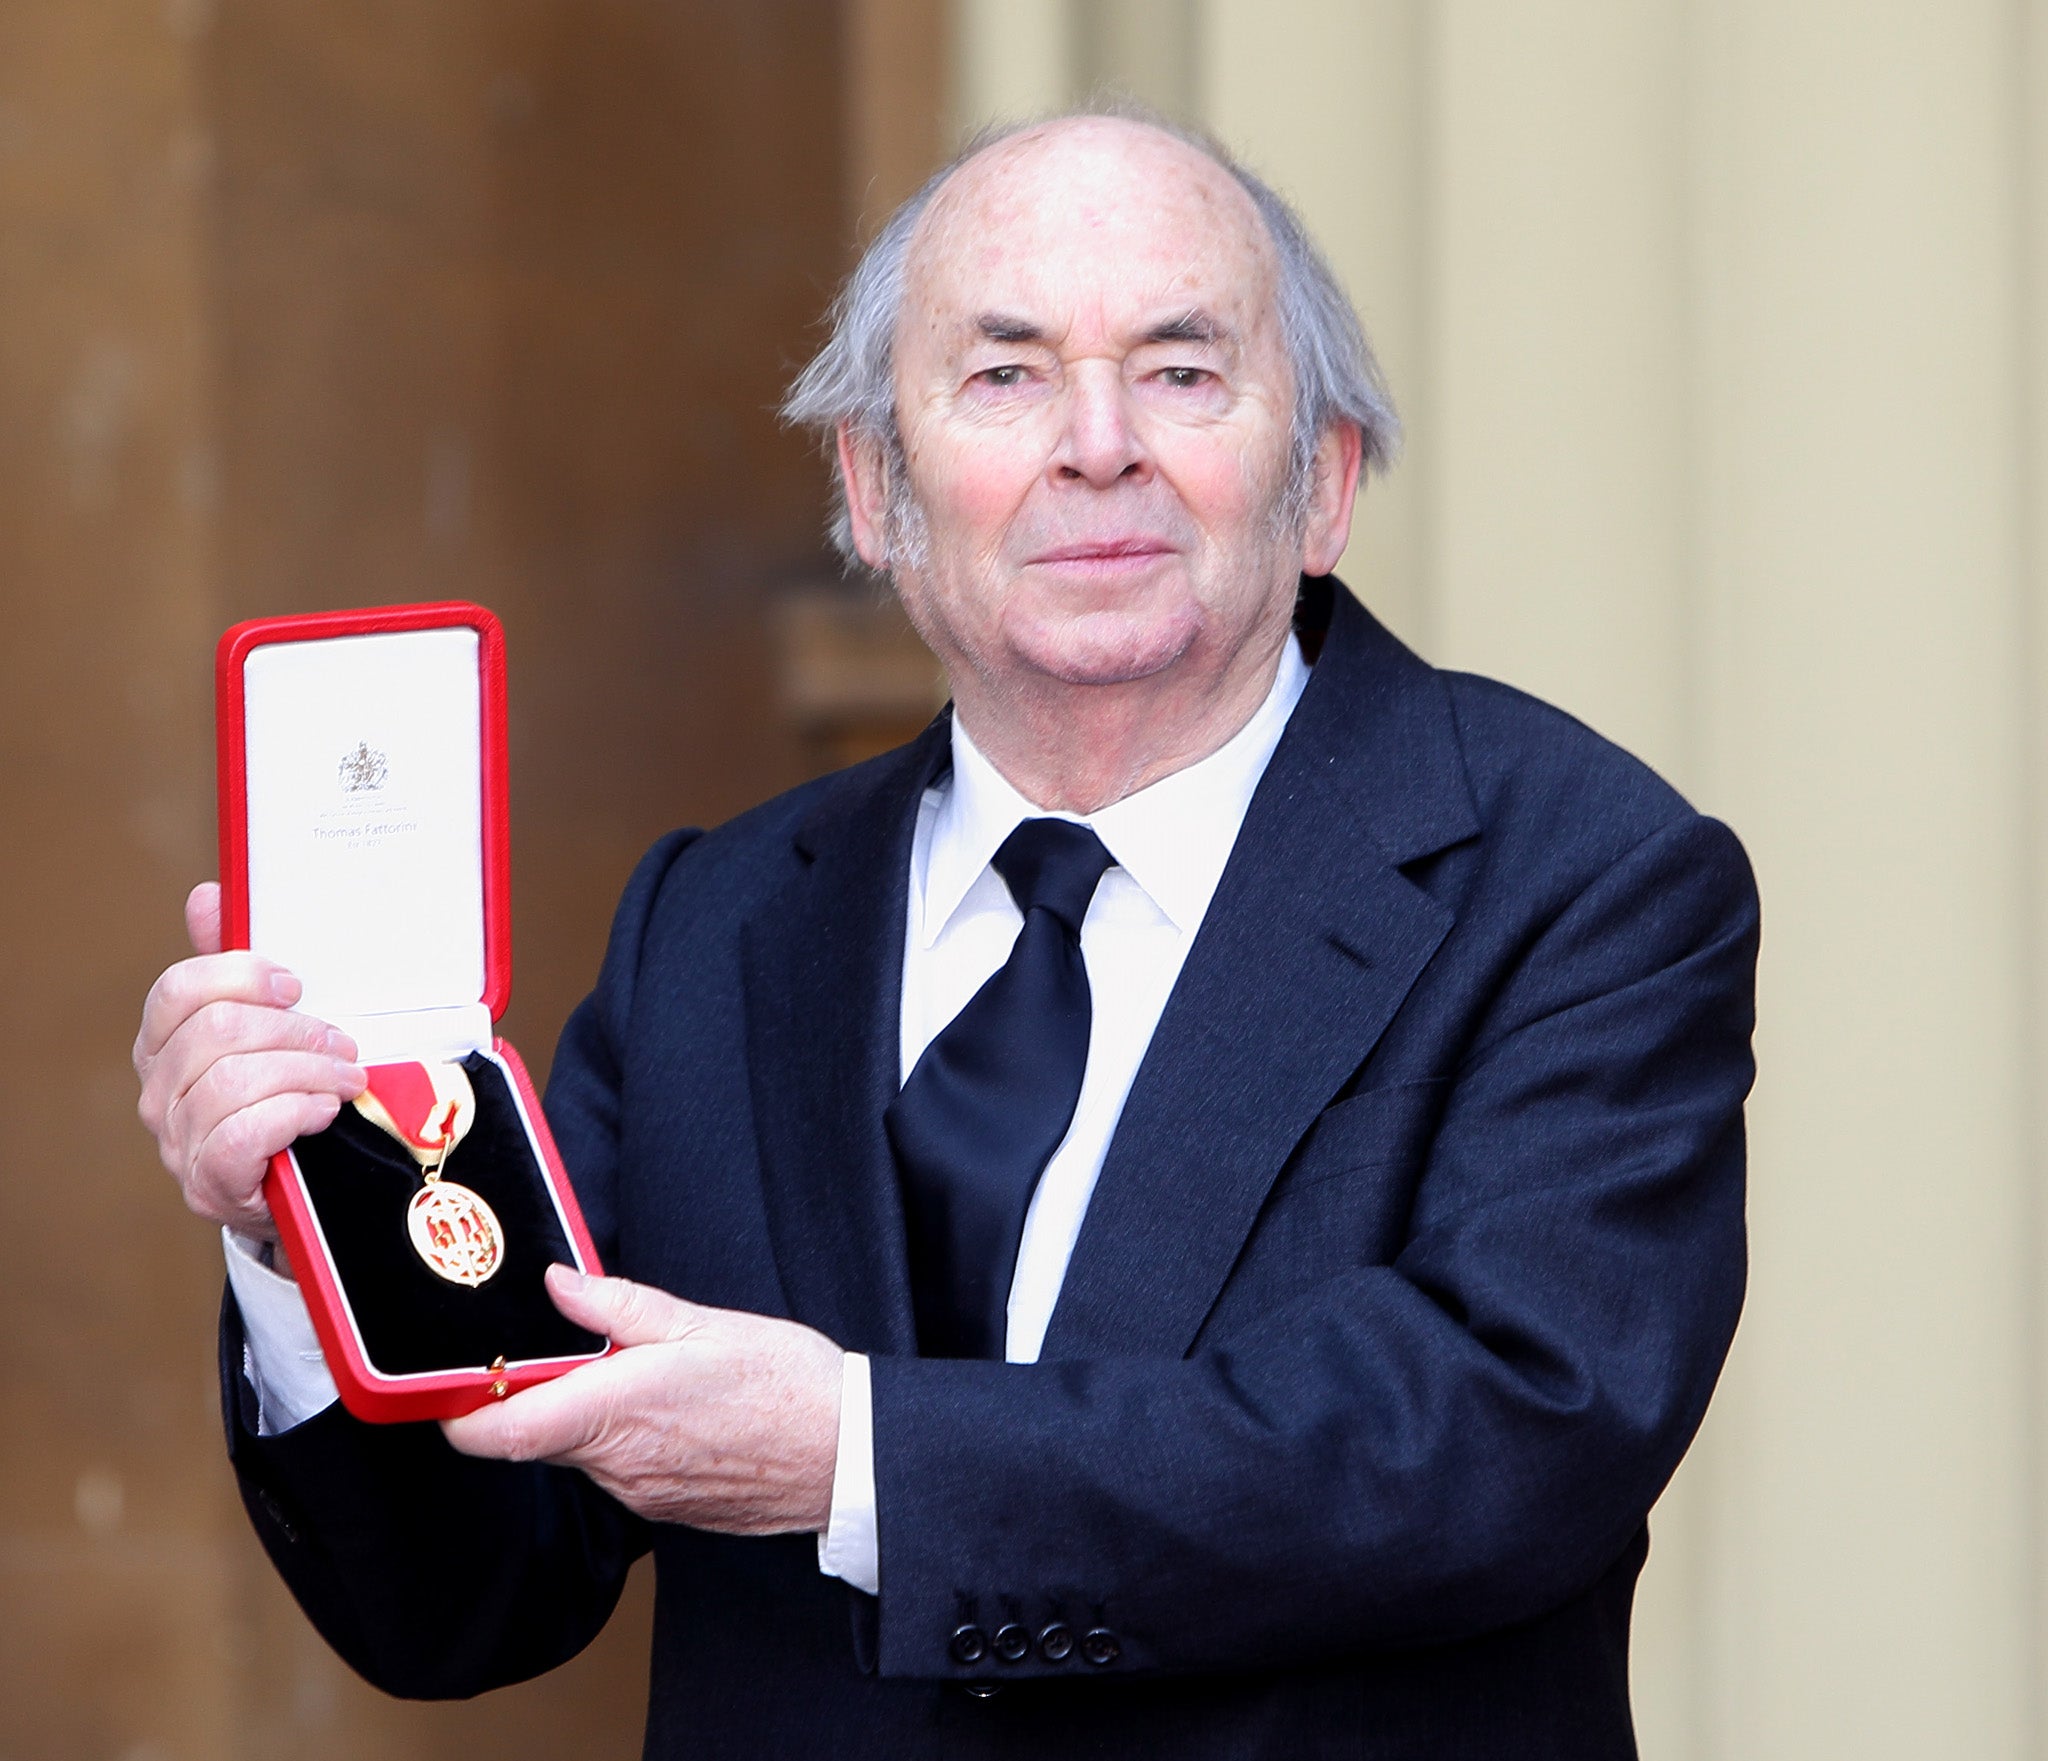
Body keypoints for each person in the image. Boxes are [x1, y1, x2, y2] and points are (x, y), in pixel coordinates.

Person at [133, 111, 1758, 1759]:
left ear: (1324, 479)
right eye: (1007, 375)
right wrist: (293, 1221)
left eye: (1184, 372)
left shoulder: (1583, 878)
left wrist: (858, 1459)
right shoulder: (713, 924)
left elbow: (1496, 1438)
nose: (1100, 444)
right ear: (873, 490)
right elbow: (471, 1597)